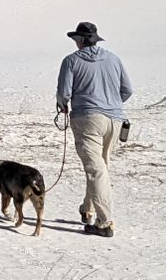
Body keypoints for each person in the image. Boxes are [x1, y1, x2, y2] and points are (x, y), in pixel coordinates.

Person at [55, 20, 132, 238]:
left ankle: (104, 222)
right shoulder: (114, 59)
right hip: (115, 120)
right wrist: (112, 103)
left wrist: (63, 106)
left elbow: (63, 93)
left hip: (87, 119)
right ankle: (87, 209)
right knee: (101, 167)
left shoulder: (71, 61)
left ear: (79, 40)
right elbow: (127, 90)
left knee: (96, 169)